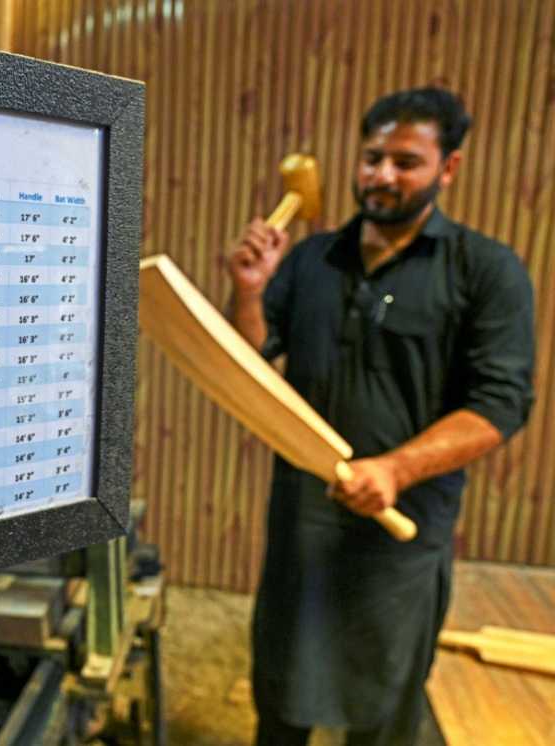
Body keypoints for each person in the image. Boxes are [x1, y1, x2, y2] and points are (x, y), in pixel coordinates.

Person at [226, 87, 535, 746]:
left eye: (406, 162)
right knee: (281, 691)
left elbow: (501, 403)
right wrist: (250, 292)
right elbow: (252, 359)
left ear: (447, 168)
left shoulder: (485, 270)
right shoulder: (312, 260)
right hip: (303, 518)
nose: (382, 176)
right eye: (372, 158)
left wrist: (396, 469)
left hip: (401, 534)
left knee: (382, 703)